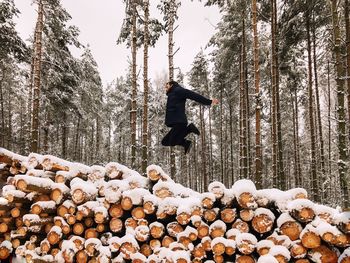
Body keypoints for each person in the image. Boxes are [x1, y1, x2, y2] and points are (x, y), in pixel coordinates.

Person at [161, 80, 219, 154]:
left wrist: (209, 102)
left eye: (167, 85)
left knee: (171, 141)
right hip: (176, 122)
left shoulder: (178, 90)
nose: (165, 88)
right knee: (164, 142)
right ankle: (185, 142)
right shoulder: (172, 93)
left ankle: (189, 129)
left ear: (172, 85)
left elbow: (194, 95)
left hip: (179, 121)